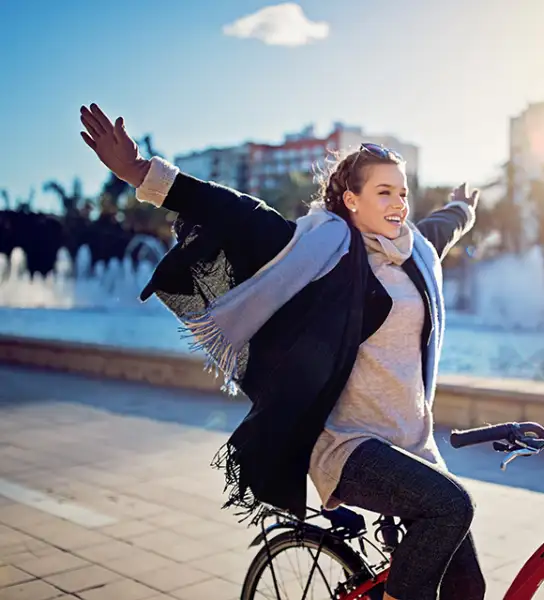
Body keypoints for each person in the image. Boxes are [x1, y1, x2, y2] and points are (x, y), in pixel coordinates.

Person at [79, 103, 486, 600]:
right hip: (347, 443)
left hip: (412, 445)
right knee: (451, 506)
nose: (398, 203)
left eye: (402, 192)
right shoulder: (324, 250)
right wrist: (139, 172)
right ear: (351, 200)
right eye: (384, 192)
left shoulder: (415, 252)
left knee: (467, 584)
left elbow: (441, 226)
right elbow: (237, 212)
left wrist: (463, 208)